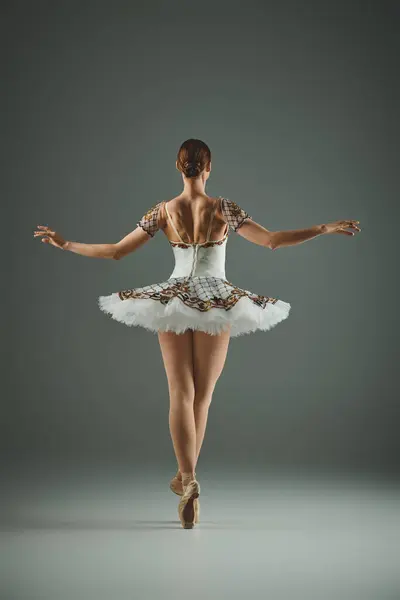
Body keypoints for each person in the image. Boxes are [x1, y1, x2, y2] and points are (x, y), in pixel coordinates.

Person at [33, 138, 361, 529]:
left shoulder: (163, 211)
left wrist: (66, 243)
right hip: (216, 298)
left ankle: (186, 478)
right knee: (202, 397)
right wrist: (324, 227)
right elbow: (272, 240)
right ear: (209, 168)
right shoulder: (223, 208)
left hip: (171, 298)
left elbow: (117, 251)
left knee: (179, 392)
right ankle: (187, 479)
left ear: (178, 166)